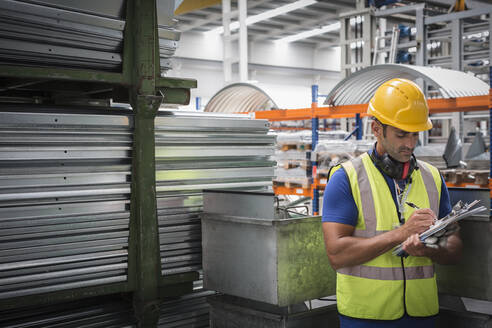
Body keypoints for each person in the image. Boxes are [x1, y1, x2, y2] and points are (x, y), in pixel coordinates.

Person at [321, 78, 462, 328]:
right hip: (365, 318)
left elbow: (454, 249)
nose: (409, 144)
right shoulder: (346, 178)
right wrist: (401, 234)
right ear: (376, 129)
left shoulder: (432, 178)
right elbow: (337, 254)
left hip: (422, 316)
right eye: (401, 134)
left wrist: (428, 249)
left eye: (415, 134)